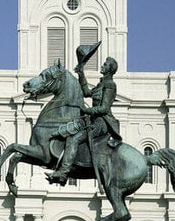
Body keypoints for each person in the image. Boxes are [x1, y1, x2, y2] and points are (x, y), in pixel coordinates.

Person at [49, 56, 122, 185]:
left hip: (102, 122)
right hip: (93, 120)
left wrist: (86, 110)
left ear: (110, 69)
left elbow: (104, 108)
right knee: (70, 129)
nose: (102, 66)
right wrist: (81, 73)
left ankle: (64, 172)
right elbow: (87, 92)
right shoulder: (101, 83)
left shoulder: (110, 85)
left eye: (105, 64)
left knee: (74, 139)